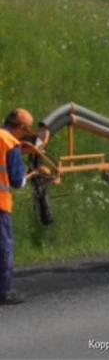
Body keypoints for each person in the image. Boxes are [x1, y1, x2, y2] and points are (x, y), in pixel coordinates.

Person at [0, 108, 35, 306]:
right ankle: (4, 292)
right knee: (4, 248)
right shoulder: (10, 144)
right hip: (0, 205)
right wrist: (31, 175)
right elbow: (16, 181)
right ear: (21, 128)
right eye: (26, 132)